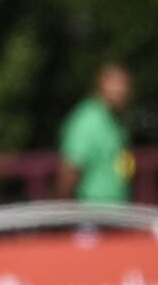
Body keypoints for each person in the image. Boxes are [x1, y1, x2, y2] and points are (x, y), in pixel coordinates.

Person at [55, 62, 134, 203]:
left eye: (124, 84)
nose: (121, 90)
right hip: (93, 213)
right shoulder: (87, 119)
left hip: (116, 210)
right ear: (100, 84)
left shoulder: (114, 120)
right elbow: (70, 168)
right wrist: (61, 211)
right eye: (115, 83)